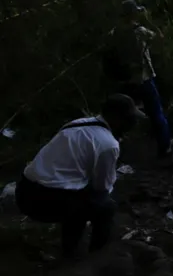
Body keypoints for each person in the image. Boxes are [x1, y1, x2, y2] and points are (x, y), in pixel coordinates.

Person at [16, 94, 146, 257]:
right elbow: (102, 187)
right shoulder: (108, 144)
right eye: (129, 119)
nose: (132, 123)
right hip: (44, 202)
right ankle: (97, 257)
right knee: (105, 207)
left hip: (24, 190)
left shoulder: (78, 123)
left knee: (79, 199)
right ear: (116, 119)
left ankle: (70, 249)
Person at [106, 0, 173, 157]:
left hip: (124, 79)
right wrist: (147, 20)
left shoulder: (116, 32)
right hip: (143, 79)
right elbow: (160, 38)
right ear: (134, 14)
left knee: (120, 113)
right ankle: (165, 146)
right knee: (156, 112)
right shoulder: (140, 31)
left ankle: (113, 146)